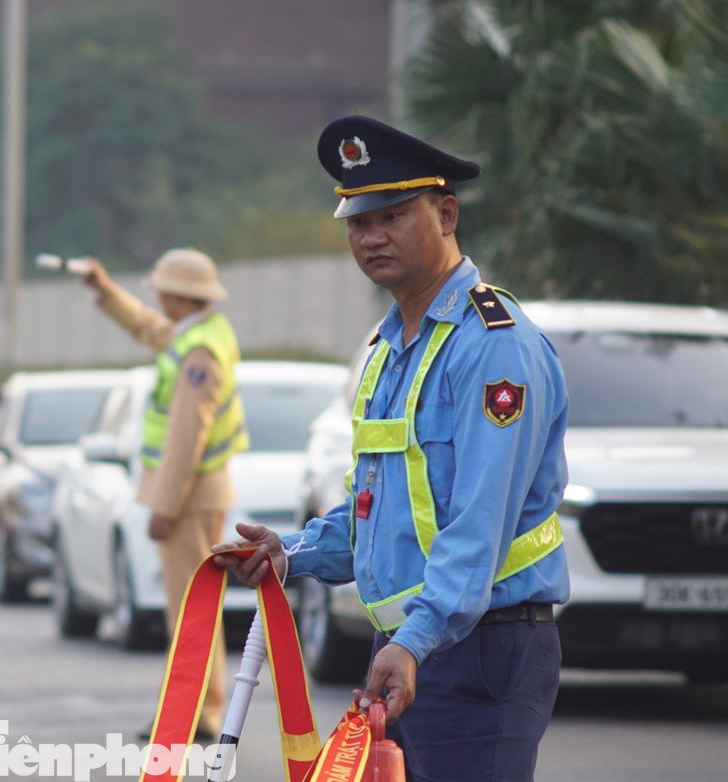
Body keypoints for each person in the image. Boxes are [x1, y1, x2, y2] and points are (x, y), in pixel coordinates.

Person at [213, 115, 570, 782]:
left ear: (446, 213)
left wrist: (414, 640)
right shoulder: (390, 349)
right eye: (357, 222)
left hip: (479, 645)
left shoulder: (493, 345)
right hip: (415, 643)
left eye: (394, 215)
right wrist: (289, 555)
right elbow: (378, 510)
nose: (372, 237)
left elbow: (479, 520)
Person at [79, 248, 249, 742]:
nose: (156, 296)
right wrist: (106, 292)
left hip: (190, 498)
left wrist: (164, 507)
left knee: (190, 613)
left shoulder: (199, 351)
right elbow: (148, 328)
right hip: (197, 496)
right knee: (192, 611)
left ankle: (196, 715)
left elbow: (185, 438)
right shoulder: (195, 334)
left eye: (161, 289)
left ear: (178, 293)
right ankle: (195, 711)